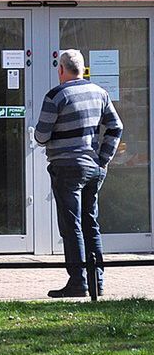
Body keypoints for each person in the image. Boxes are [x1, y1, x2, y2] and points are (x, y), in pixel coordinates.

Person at [34, 49, 124, 298]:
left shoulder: (56, 95)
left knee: (71, 225)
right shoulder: (100, 93)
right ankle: (97, 281)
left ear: (61, 70)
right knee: (90, 223)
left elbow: (41, 135)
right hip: (93, 167)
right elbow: (116, 127)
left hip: (66, 167)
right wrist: (103, 160)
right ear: (83, 69)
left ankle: (78, 282)